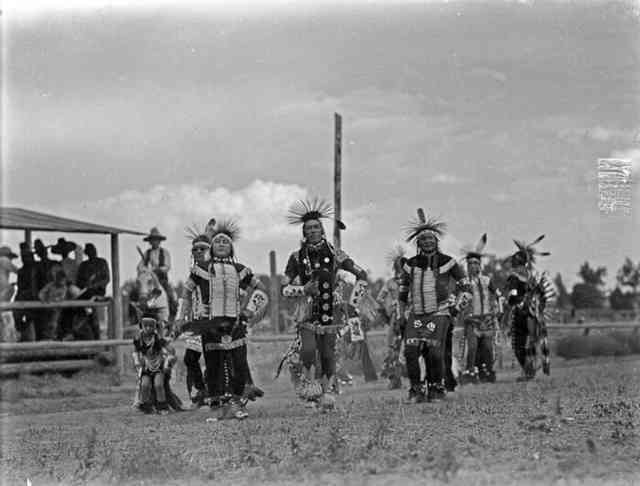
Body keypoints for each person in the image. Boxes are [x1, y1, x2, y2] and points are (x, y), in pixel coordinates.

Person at [281, 198, 368, 409]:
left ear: (322, 230)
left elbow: (362, 275)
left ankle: (326, 392)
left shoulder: (336, 254)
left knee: (328, 353)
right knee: (309, 350)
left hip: (332, 308)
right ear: (304, 233)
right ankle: (309, 388)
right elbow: (284, 288)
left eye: (316, 227)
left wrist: (353, 303)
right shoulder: (295, 258)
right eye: (308, 228)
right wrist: (303, 289)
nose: (312, 231)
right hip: (307, 310)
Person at [177, 219, 269, 420]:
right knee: (213, 365)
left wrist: (249, 311)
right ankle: (217, 407)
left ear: (231, 247)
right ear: (212, 247)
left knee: (238, 362)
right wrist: (179, 317)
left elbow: (261, 290)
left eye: (224, 242)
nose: (220, 244)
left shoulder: (240, 269)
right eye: (217, 241)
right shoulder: (201, 268)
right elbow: (186, 293)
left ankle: (236, 403)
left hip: (236, 324)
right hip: (210, 325)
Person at [397, 209, 472, 403]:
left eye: (431, 239)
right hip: (416, 313)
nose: (428, 242)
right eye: (424, 240)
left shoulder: (449, 262)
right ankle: (416, 390)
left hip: (440, 312)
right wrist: (400, 315)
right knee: (410, 351)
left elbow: (466, 288)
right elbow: (403, 292)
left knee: (434, 351)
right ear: (418, 243)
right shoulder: (410, 264)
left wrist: (456, 307)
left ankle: (436, 389)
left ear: (436, 241)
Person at [504, 236, 555, 381]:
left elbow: (513, 296)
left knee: (518, 344)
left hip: (520, 314)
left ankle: (529, 370)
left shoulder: (514, 277)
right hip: (534, 316)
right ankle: (531, 368)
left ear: (517, 262)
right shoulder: (533, 276)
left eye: (514, 261)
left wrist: (509, 306)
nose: (513, 264)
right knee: (531, 342)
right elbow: (542, 295)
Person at [458, 234, 502, 385]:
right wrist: (462, 311)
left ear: (480, 265)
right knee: (472, 348)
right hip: (472, 320)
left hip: (487, 320)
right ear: (467, 266)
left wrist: (499, 310)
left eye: (476, 263)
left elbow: (498, 296)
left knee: (488, 348)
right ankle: (470, 372)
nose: (473, 266)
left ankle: (487, 371)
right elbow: (459, 300)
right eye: (470, 264)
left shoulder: (487, 280)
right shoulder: (464, 282)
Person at [132, 316, 179, 414]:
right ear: (142, 326)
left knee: (158, 385)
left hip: (158, 366)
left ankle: (162, 406)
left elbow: (171, 351)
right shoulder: (139, 339)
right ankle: (144, 405)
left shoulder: (158, 339)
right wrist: (137, 361)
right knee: (144, 385)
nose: (148, 328)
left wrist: (168, 361)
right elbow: (135, 351)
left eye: (151, 326)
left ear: (155, 327)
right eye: (146, 326)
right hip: (146, 366)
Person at [377, 246, 406, 390]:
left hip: (409, 316)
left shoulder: (411, 281)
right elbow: (380, 299)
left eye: (402, 265)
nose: (400, 268)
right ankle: (394, 379)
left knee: (407, 348)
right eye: (398, 265)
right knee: (393, 348)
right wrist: (388, 312)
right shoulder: (390, 283)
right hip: (395, 318)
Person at [137, 227, 177, 317]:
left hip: (162, 280)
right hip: (149, 280)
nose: (154, 242)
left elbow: (167, 267)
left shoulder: (165, 252)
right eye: (152, 240)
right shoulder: (147, 253)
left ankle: (172, 317)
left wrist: (158, 269)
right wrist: (146, 270)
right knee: (138, 293)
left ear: (159, 241)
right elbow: (140, 266)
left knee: (171, 295)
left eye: (156, 240)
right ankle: (138, 315)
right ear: (150, 242)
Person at [38, 267, 81, 340]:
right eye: (59, 278)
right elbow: (41, 294)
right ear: (56, 278)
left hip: (61, 309)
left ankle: (57, 337)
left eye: (63, 279)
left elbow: (66, 296)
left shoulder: (66, 287)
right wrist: (44, 299)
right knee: (49, 324)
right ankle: (49, 338)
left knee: (57, 323)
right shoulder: (50, 285)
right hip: (49, 308)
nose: (61, 281)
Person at [14, 243, 41, 342]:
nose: (24, 258)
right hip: (26, 299)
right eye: (23, 256)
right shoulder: (22, 271)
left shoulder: (37, 267)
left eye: (26, 256)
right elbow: (21, 288)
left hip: (37, 299)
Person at [0, 246, 19, 342]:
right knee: (5, 314)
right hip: (3, 291)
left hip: (2, 289)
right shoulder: (4, 260)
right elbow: (19, 271)